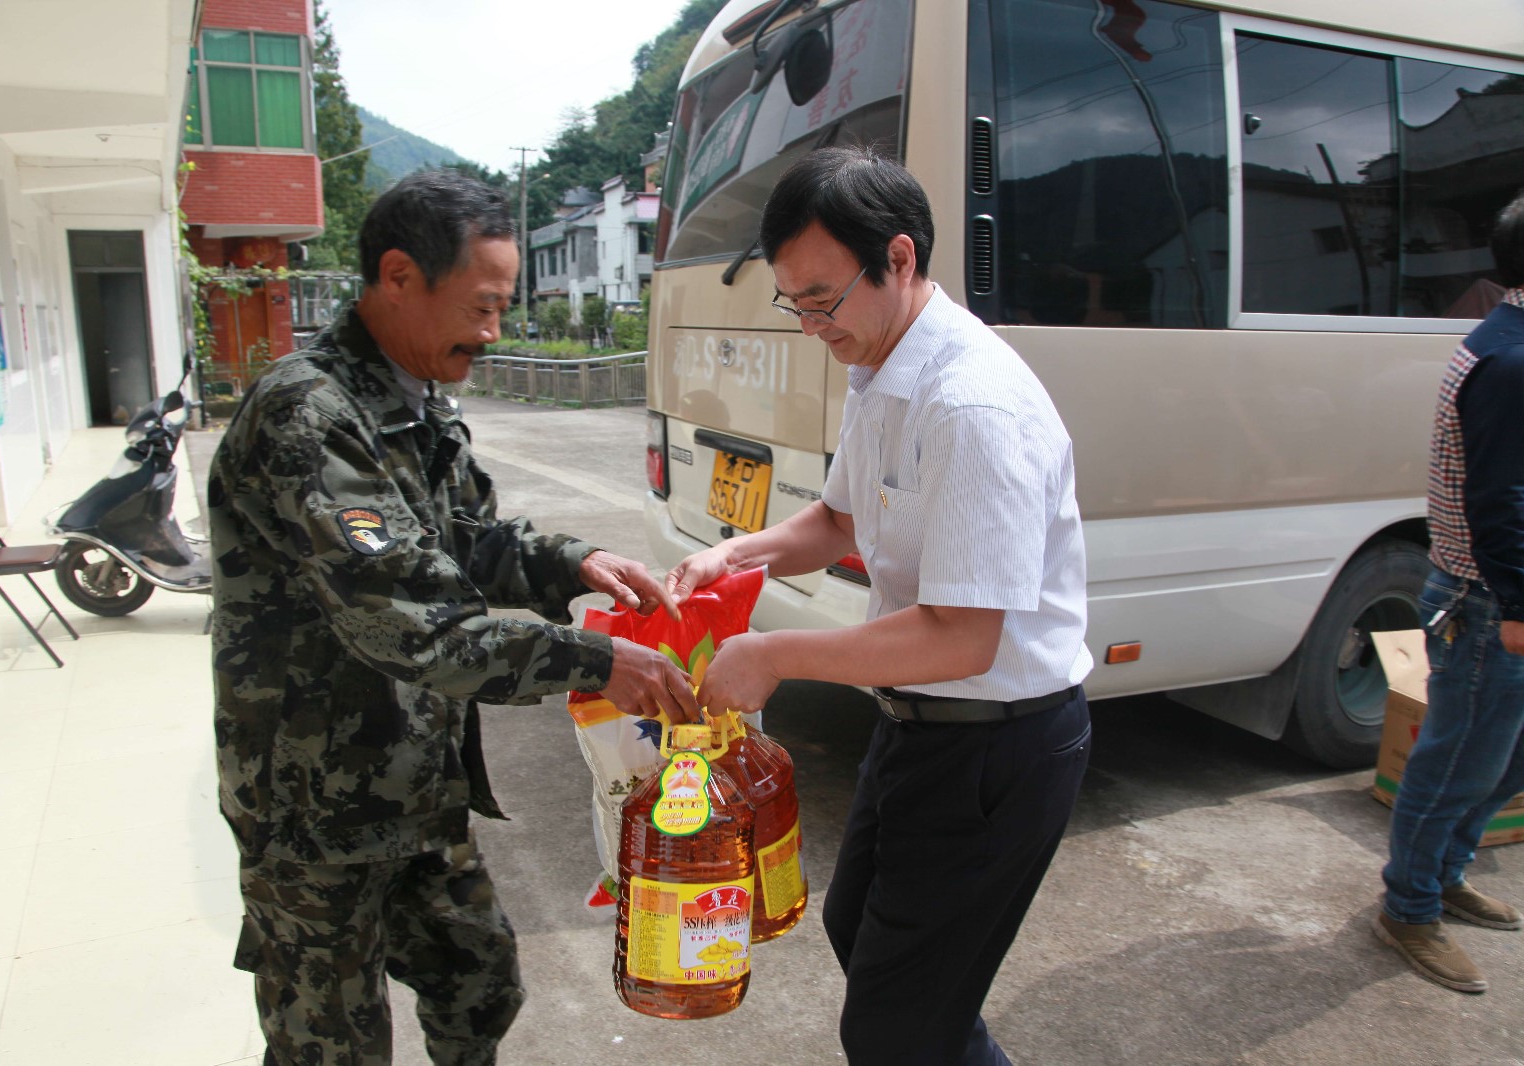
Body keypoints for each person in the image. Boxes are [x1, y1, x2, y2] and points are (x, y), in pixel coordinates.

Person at [208, 170, 699, 1066]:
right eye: (482, 306)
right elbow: (417, 623)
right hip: (313, 811)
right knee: (331, 1044)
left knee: (480, 985)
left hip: (413, 786)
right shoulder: (307, 417)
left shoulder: (414, 402)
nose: (493, 331)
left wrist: (572, 560)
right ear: (400, 276)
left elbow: (464, 536)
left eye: (503, 308)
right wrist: (597, 662)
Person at [666, 146, 1093, 1066]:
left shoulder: (971, 406)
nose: (811, 325)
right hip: (915, 726)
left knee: (896, 1026)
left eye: (823, 298)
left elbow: (963, 639)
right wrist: (737, 552)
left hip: (997, 747)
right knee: (862, 935)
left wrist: (774, 655)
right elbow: (836, 521)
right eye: (794, 303)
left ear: (899, 258)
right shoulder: (879, 366)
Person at [1375, 190, 1524, 994]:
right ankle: (1410, 907)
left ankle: (1445, 872)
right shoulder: (1508, 361)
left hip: (1501, 599)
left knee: (1502, 759)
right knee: (1457, 764)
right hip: (1486, 602)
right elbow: (1500, 501)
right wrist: (1519, 610)